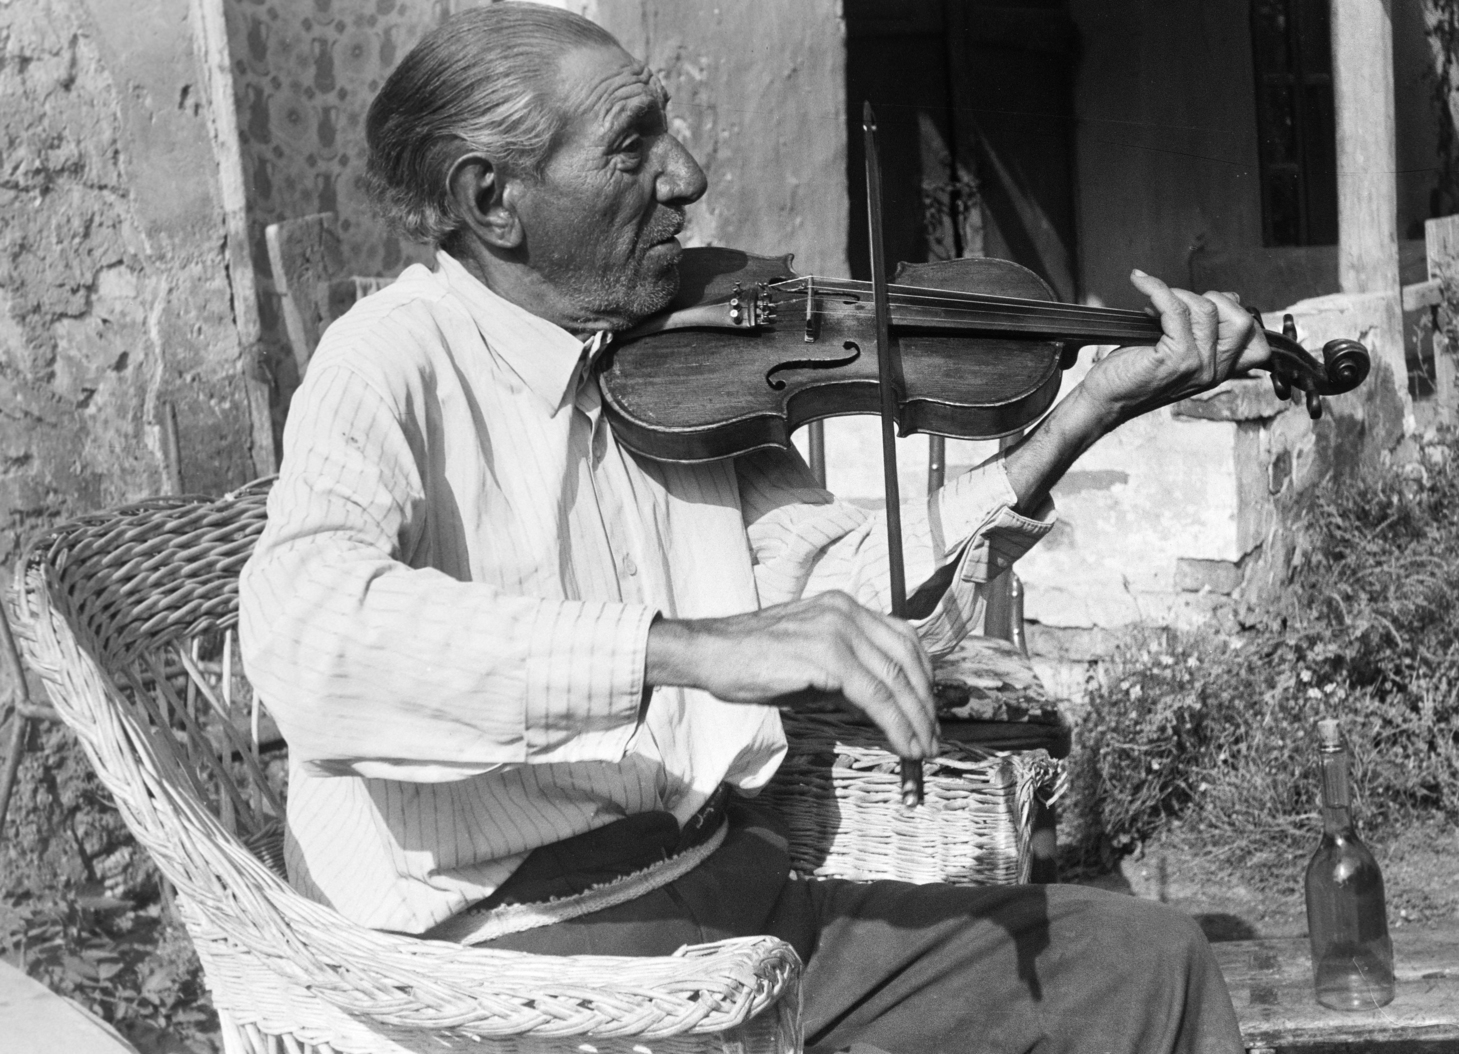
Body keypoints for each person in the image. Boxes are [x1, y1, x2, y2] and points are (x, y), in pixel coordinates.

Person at [240, 6, 1265, 1053]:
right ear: (491, 200)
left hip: (737, 906)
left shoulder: (669, 367)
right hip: (525, 970)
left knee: (1147, 964)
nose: (685, 176)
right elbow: (307, 636)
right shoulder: (390, 362)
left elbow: (833, 588)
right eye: (631, 145)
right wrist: (687, 649)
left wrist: (1077, 419)